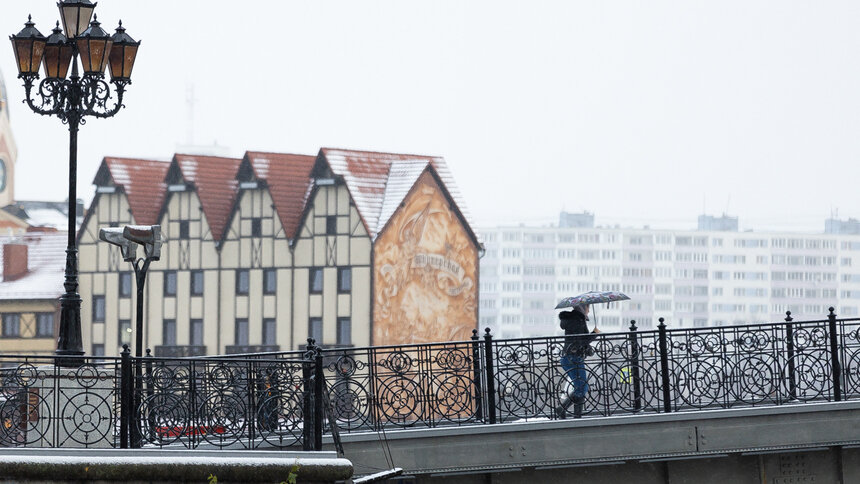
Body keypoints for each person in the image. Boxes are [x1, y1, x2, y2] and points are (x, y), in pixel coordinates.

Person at [556, 303, 600, 419]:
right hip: (573, 358)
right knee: (582, 387)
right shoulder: (578, 320)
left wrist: (588, 347)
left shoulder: (573, 319)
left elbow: (576, 339)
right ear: (582, 308)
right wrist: (594, 334)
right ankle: (564, 409)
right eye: (588, 308)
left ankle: (576, 414)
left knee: (580, 387)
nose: (589, 311)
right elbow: (581, 340)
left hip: (569, 357)